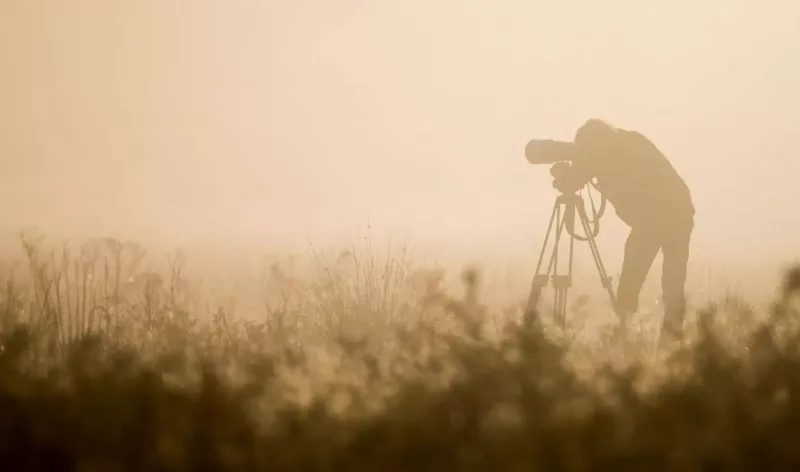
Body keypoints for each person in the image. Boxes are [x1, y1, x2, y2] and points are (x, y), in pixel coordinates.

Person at [550, 119, 695, 345]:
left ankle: (649, 336)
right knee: (650, 280)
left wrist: (570, 175)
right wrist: (570, 175)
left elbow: (587, 174)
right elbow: (581, 176)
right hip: (662, 216)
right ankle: (643, 334)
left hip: (667, 215)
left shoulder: (622, 151)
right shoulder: (615, 148)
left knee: (655, 280)